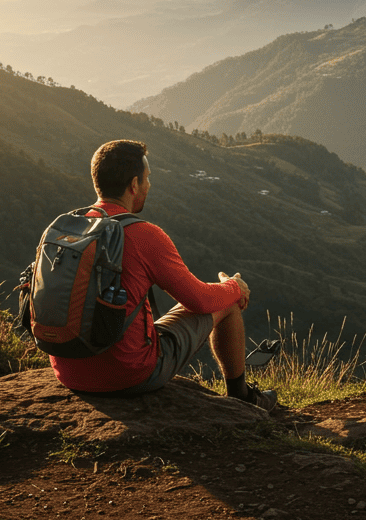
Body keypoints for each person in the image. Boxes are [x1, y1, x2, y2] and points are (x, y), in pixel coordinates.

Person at [49, 139, 277, 410]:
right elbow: (200, 300)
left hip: (69, 372)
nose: (149, 185)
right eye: (147, 179)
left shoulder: (70, 229)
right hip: (128, 374)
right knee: (224, 300)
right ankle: (243, 398)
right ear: (134, 185)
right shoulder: (144, 235)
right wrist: (234, 288)